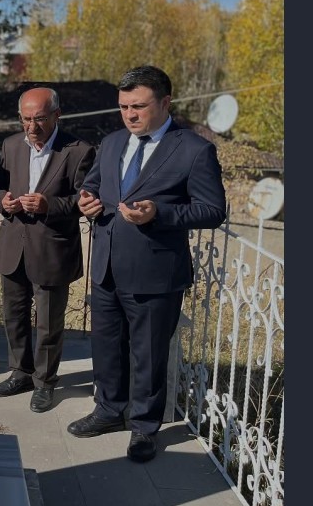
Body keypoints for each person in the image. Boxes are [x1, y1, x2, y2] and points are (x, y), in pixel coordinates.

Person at [68, 65, 226, 463]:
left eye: (138, 106)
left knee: (148, 355)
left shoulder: (193, 149)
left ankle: (143, 427)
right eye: (123, 107)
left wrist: (160, 213)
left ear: (165, 102)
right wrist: (86, 200)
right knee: (105, 347)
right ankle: (107, 410)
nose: (130, 115)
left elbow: (212, 209)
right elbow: (94, 185)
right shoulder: (113, 142)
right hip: (105, 266)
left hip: (155, 272)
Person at [0, 87, 94, 412]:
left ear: (57, 116)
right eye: (26, 120)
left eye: (40, 119)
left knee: (48, 322)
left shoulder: (78, 150)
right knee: (14, 315)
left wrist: (51, 205)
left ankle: (45, 382)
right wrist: (2, 201)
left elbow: (85, 200)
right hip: (13, 246)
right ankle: (20, 372)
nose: (32, 127)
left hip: (51, 249)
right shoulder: (9, 145)